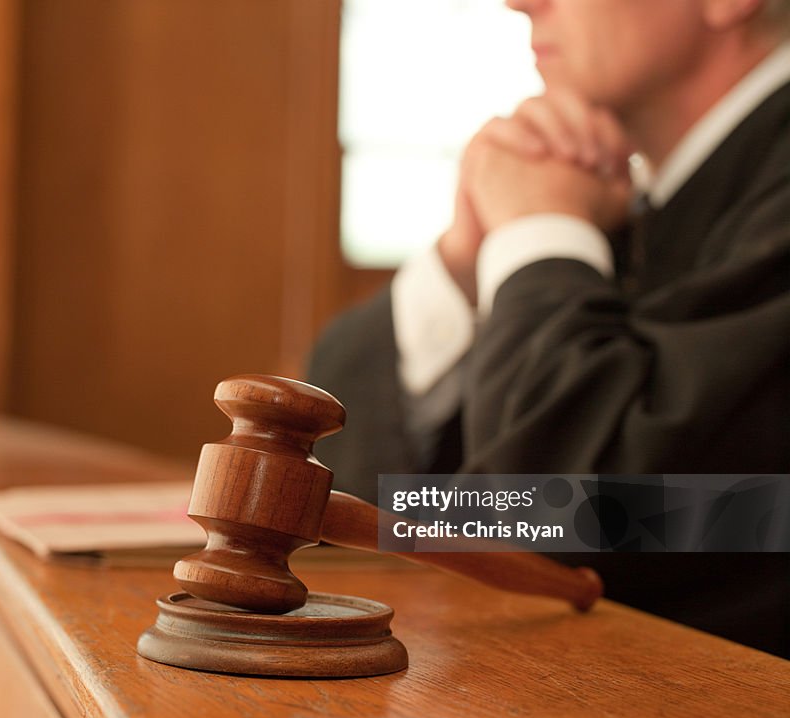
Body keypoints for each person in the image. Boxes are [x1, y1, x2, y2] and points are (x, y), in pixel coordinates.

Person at [308, 0, 790, 656]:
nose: (518, 2)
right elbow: (336, 468)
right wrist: (465, 260)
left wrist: (539, 229)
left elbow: (558, 514)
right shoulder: (644, 193)